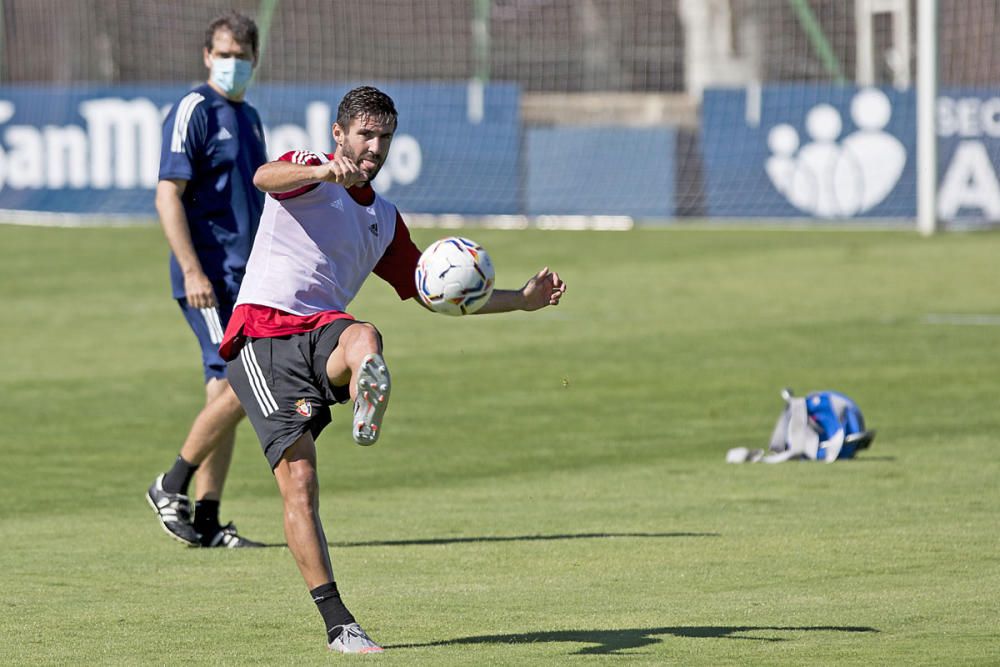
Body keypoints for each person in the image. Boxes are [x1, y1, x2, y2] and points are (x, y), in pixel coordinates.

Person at [217, 85, 567, 653]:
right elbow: (263, 178)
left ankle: (364, 395)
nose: (375, 146)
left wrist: (521, 299)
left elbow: (434, 293)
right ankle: (339, 625)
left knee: (366, 335)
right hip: (264, 337)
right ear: (340, 134)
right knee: (301, 485)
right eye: (365, 134)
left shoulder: (383, 218)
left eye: (384, 137)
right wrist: (328, 172)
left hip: (321, 331)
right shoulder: (310, 170)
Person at [145, 11, 268, 548]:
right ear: (206, 56)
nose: (232, 64)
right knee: (240, 383)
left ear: (254, 61)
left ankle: (208, 518)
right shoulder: (194, 108)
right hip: (209, 277)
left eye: (242, 56)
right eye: (224, 54)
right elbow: (167, 193)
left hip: (248, 279)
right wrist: (193, 269)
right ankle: (170, 485)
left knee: (226, 390)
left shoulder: (252, 118)